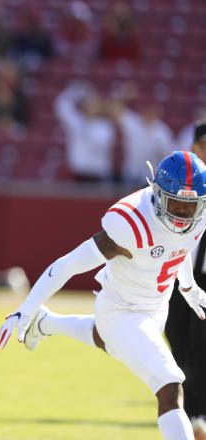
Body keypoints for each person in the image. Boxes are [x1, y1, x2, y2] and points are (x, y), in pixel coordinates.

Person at [0, 150, 206, 440]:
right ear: (157, 195)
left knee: (107, 340)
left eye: (189, 207)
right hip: (122, 310)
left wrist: (189, 287)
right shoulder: (131, 224)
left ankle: (46, 324)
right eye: (176, 204)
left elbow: (179, 247)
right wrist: (26, 308)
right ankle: (39, 320)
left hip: (156, 306)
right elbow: (68, 265)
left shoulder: (199, 213)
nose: (182, 214)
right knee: (169, 385)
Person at [166, 121, 206, 439]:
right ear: (194, 146)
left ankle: (198, 414)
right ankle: (187, 408)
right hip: (179, 276)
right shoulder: (182, 180)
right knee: (176, 339)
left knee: (202, 344)